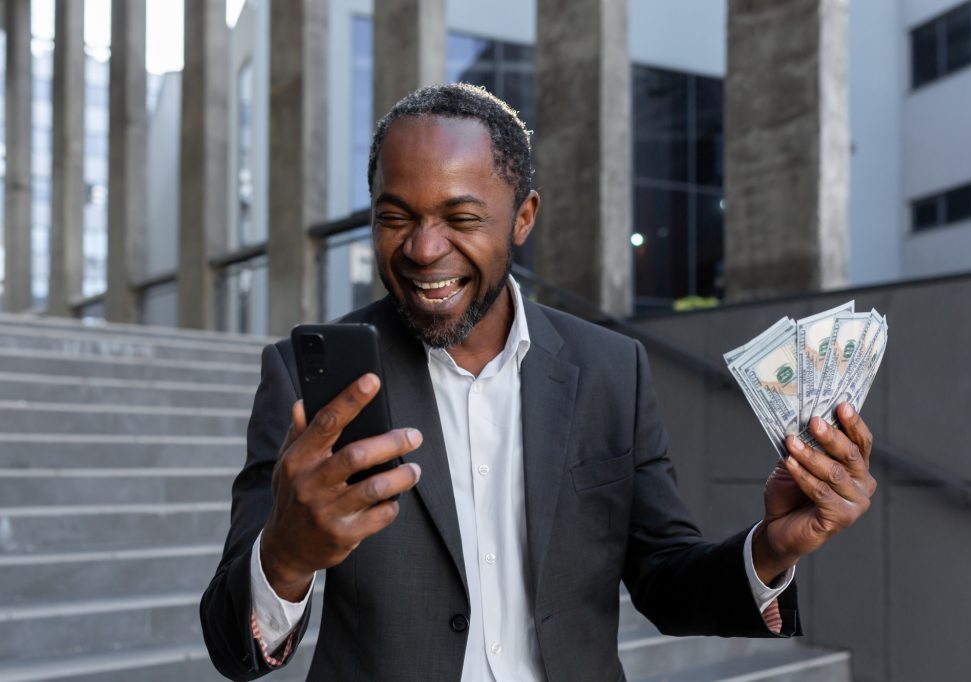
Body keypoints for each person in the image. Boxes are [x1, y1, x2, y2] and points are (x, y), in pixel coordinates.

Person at [200, 83, 876, 682]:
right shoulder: (307, 380)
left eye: (461, 218)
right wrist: (284, 556)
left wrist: (771, 547)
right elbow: (234, 647)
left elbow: (665, 581)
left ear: (523, 217)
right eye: (395, 215)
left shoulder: (611, 370)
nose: (423, 249)